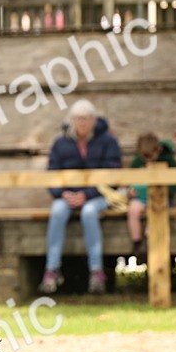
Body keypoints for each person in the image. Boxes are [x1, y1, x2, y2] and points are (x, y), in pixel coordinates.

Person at [39, 99, 122, 295]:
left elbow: (114, 175)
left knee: (89, 212)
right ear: (72, 120)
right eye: (78, 119)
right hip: (68, 195)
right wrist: (63, 193)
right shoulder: (61, 143)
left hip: (99, 195)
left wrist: (88, 194)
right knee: (57, 210)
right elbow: (52, 174)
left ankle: (96, 272)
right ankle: (51, 271)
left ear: (94, 120)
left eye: (86, 118)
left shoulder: (108, 141)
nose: (82, 123)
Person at [128, 132, 176, 257]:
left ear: (158, 150)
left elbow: (175, 182)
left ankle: (149, 240)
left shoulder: (169, 161)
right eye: (145, 158)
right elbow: (131, 180)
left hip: (161, 198)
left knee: (157, 210)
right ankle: (137, 243)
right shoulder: (137, 162)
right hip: (141, 198)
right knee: (132, 209)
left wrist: (166, 195)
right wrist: (132, 191)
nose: (148, 160)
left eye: (151, 157)